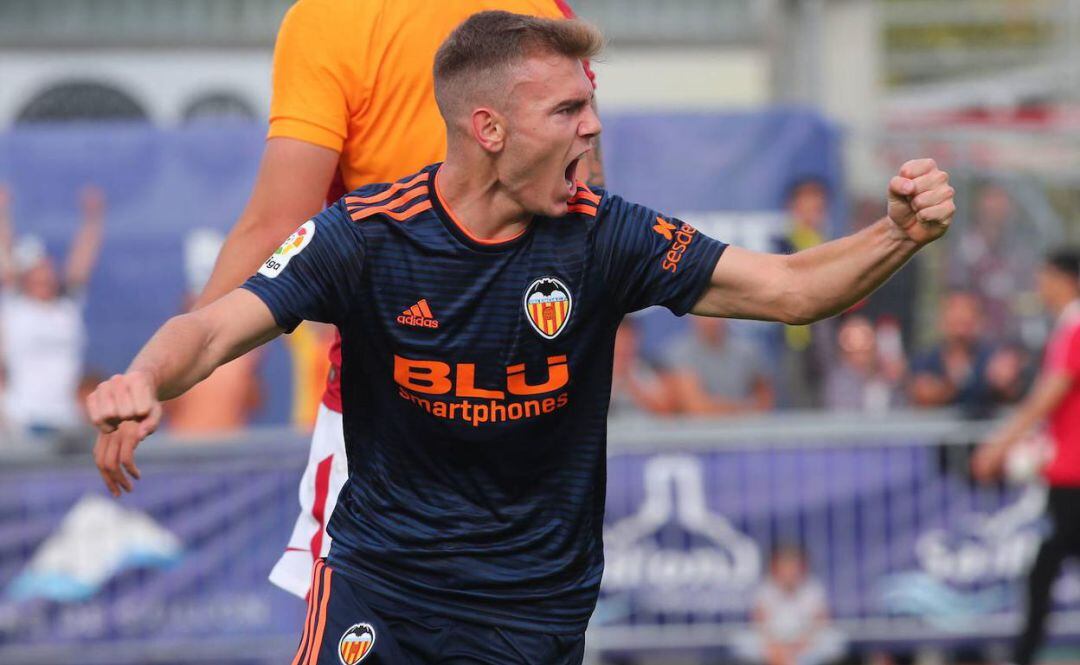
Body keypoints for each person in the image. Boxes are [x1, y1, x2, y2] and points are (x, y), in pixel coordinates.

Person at [86, 12, 955, 663]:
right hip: (383, 587)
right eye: (570, 110)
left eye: (591, 104)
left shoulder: (606, 234)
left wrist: (897, 234)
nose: (596, 127)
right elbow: (210, 327)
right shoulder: (367, 235)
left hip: (534, 608)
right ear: (490, 130)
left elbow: (793, 287)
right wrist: (143, 378)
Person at [95, 0, 600, 600]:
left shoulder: (332, 18)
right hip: (524, 413)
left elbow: (276, 224)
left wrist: (166, 368)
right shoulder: (545, 9)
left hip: (388, 423)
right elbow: (584, 190)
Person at [972, 250, 1080, 665]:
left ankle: (1024, 653)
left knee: (1045, 567)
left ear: (1064, 279)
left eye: (1045, 275)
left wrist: (999, 444)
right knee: (1046, 566)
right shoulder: (1066, 327)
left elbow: (1046, 399)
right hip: (1067, 471)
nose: (1040, 284)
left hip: (1074, 473)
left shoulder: (1073, 327)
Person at [0, 184, 104, 445]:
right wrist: (2, 212)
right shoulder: (16, 306)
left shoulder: (66, 308)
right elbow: (5, 256)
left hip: (66, 420)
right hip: (21, 420)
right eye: (37, 271)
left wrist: (93, 218)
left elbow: (81, 263)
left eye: (48, 270)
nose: (45, 276)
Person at [908, 291, 1024, 416]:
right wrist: (954, 382)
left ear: (979, 322)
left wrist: (1004, 384)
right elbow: (923, 396)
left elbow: (1011, 392)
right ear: (942, 322)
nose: (960, 332)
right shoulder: (926, 358)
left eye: (965, 323)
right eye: (955, 322)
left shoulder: (993, 356)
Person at [733, 544, 846, 665]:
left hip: (805, 640)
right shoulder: (765, 588)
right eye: (784, 567)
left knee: (834, 640)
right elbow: (759, 622)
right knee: (743, 641)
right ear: (775, 568)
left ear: (802, 568)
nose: (789, 571)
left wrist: (804, 642)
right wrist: (774, 646)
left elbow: (821, 620)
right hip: (774, 640)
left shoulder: (813, 587)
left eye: (793, 567)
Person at [663, 317, 775, 416]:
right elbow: (696, 408)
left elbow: (765, 398)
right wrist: (746, 409)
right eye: (704, 316)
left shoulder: (748, 350)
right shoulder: (678, 352)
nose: (711, 321)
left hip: (745, 433)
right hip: (698, 434)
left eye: (714, 315)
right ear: (691, 318)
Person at [824, 315, 906, 412]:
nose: (860, 345)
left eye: (865, 338)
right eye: (852, 341)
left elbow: (901, 411)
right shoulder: (837, 381)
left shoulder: (888, 379)